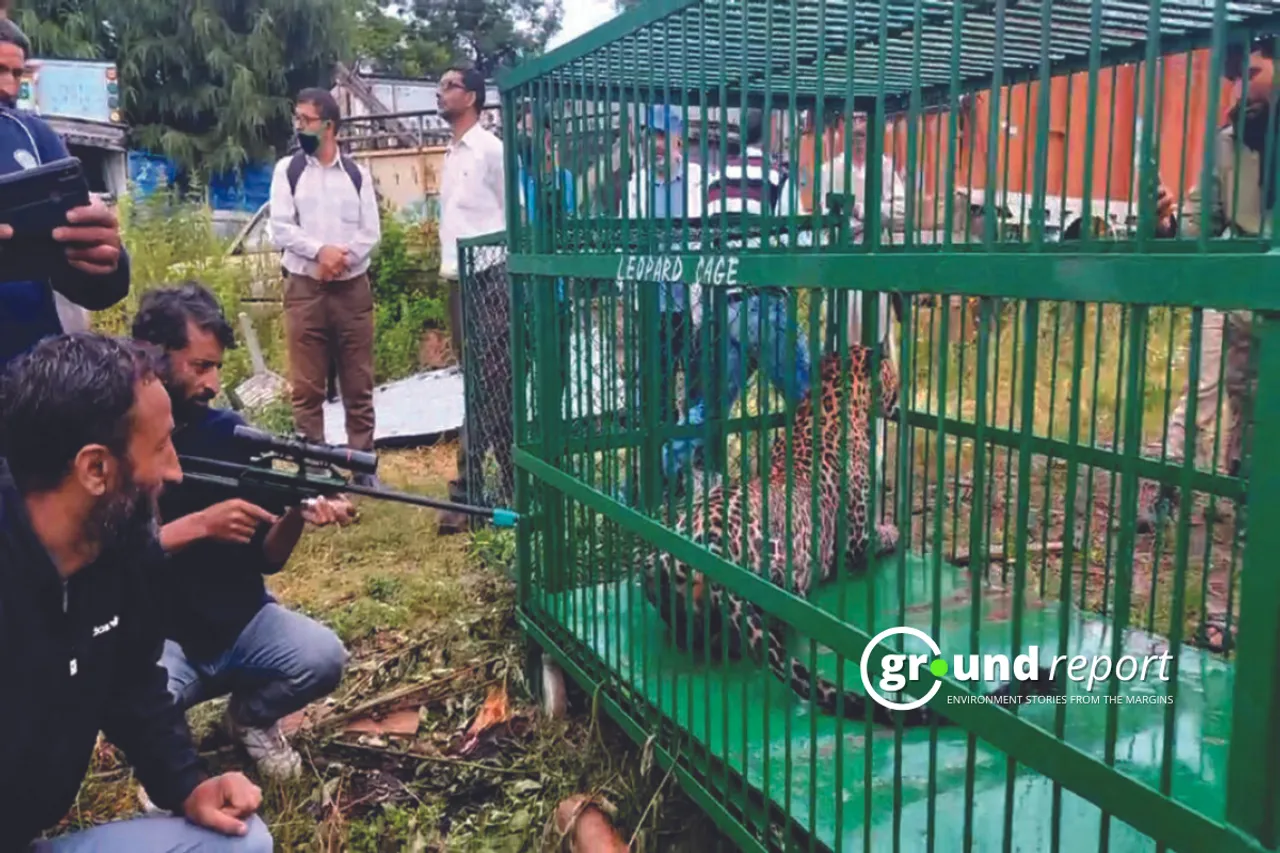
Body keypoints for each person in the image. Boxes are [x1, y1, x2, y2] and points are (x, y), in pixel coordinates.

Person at [0, 333, 271, 852]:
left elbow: (132, 683)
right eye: (162, 445)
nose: (175, 469)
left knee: (241, 843)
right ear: (96, 469)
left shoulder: (122, 550)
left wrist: (187, 786)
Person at [129, 284, 354, 783]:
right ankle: (166, 756)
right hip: (163, 640)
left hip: (240, 624)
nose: (213, 383)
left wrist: (295, 510)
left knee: (323, 657)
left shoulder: (231, 433)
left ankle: (249, 719)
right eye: (199, 366)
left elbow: (267, 558)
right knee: (137, 702)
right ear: (154, 357)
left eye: (217, 367)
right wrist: (200, 526)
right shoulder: (113, 439)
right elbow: (108, 559)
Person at [1141, 37, 1275, 535]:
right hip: (1233, 282)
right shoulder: (1226, 141)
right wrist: (1166, 222)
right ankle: (1166, 489)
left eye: (1255, 72)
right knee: (1202, 388)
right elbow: (1198, 223)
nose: (1242, 87)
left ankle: (1248, 500)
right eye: (1237, 76)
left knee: (1261, 402)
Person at [662, 107, 812, 482]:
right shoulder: (778, 177)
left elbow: (702, 245)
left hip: (722, 306)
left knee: (707, 407)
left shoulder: (714, 181)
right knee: (812, 399)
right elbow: (801, 240)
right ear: (773, 128)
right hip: (765, 304)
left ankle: (659, 474)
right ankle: (828, 487)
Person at [0, 20, 131, 367]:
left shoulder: (32, 136)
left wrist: (105, 257)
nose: (8, 87)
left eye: (17, 73)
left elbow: (95, 290)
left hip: (30, 375)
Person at [268, 87, 381, 479]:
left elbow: (371, 233)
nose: (300, 126)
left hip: (351, 290)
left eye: (307, 120)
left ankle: (362, 462)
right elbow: (280, 228)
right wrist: (320, 253)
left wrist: (339, 260)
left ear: (329, 126)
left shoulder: (356, 174)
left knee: (358, 381)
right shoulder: (289, 171)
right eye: (297, 119)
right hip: (305, 289)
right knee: (307, 384)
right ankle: (313, 461)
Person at [436, 65, 509, 533]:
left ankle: (468, 494)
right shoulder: (451, 153)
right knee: (480, 387)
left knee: (491, 386)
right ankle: (501, 486)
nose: (441, 93)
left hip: (490, 279)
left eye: (450, 86)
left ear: (474, 97)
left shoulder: (490, 150)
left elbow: (511, 215)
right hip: (457, 280)